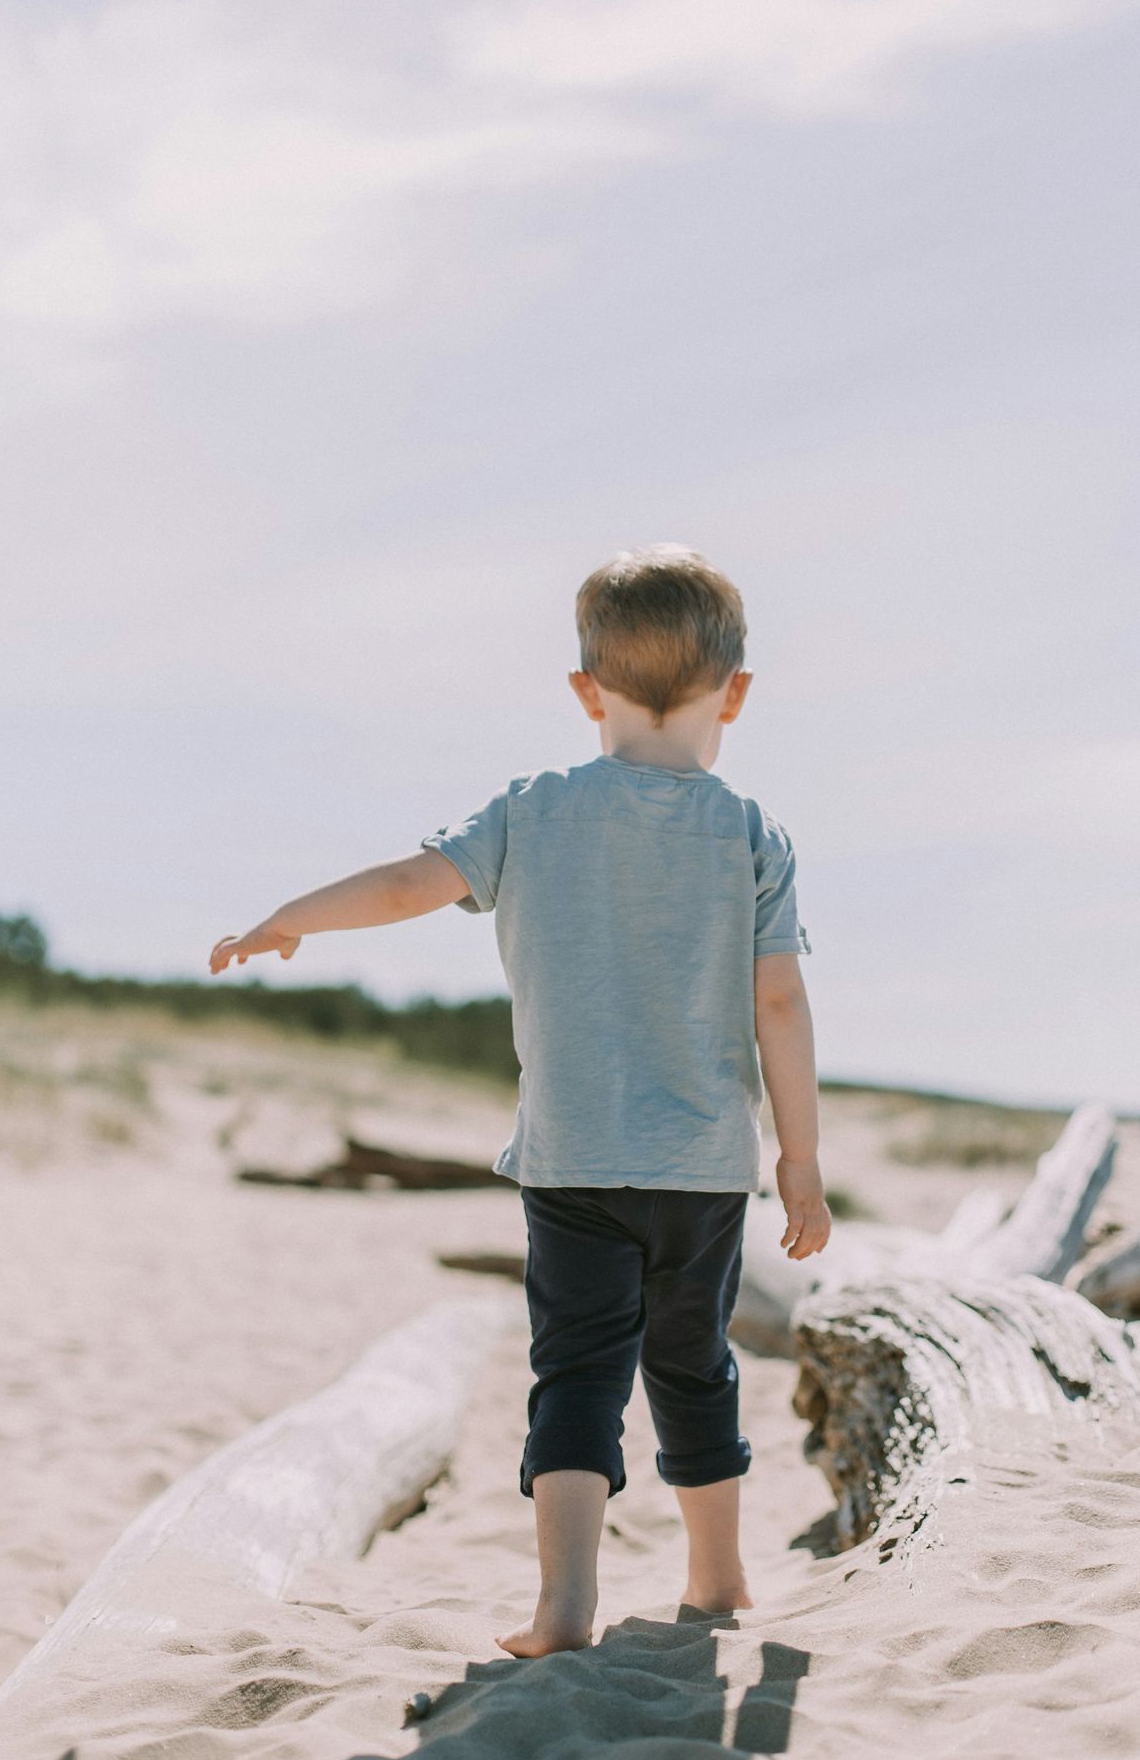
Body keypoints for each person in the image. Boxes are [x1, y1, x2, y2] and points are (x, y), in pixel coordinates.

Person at [209, 542, 831, 1657]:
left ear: (585, 690)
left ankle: (561, 1606)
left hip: (571, 1161)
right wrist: (797, 1160)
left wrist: (289, 915)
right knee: (694, 1365)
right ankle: (720, 1576)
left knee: (577, 1371)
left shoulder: (531, 813)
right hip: (700, 1170)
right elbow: (778, 1005)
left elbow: (408, 883)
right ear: (734, 693)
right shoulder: (751, 833)